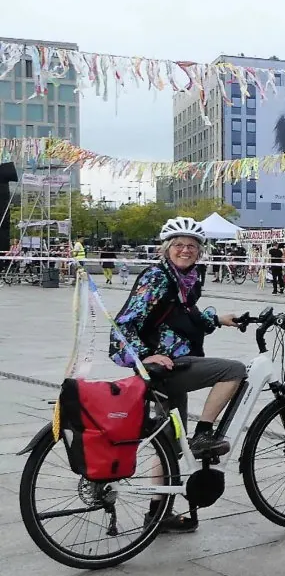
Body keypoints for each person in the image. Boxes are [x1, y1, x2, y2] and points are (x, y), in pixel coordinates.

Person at [110, 217, 246, 533]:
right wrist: (145, 356)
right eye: (179, 245)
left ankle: (157, 515)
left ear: (199, 251)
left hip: (173, 363)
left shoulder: (183, 279)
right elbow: (124, 323)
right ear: (167, 248)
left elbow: (183, 317)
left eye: (192, 246)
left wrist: (218, 318)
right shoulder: (158, 278)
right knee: (234, 370)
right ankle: (205, 434)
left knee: (170, 443)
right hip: (166, 367)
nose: (186, 250)